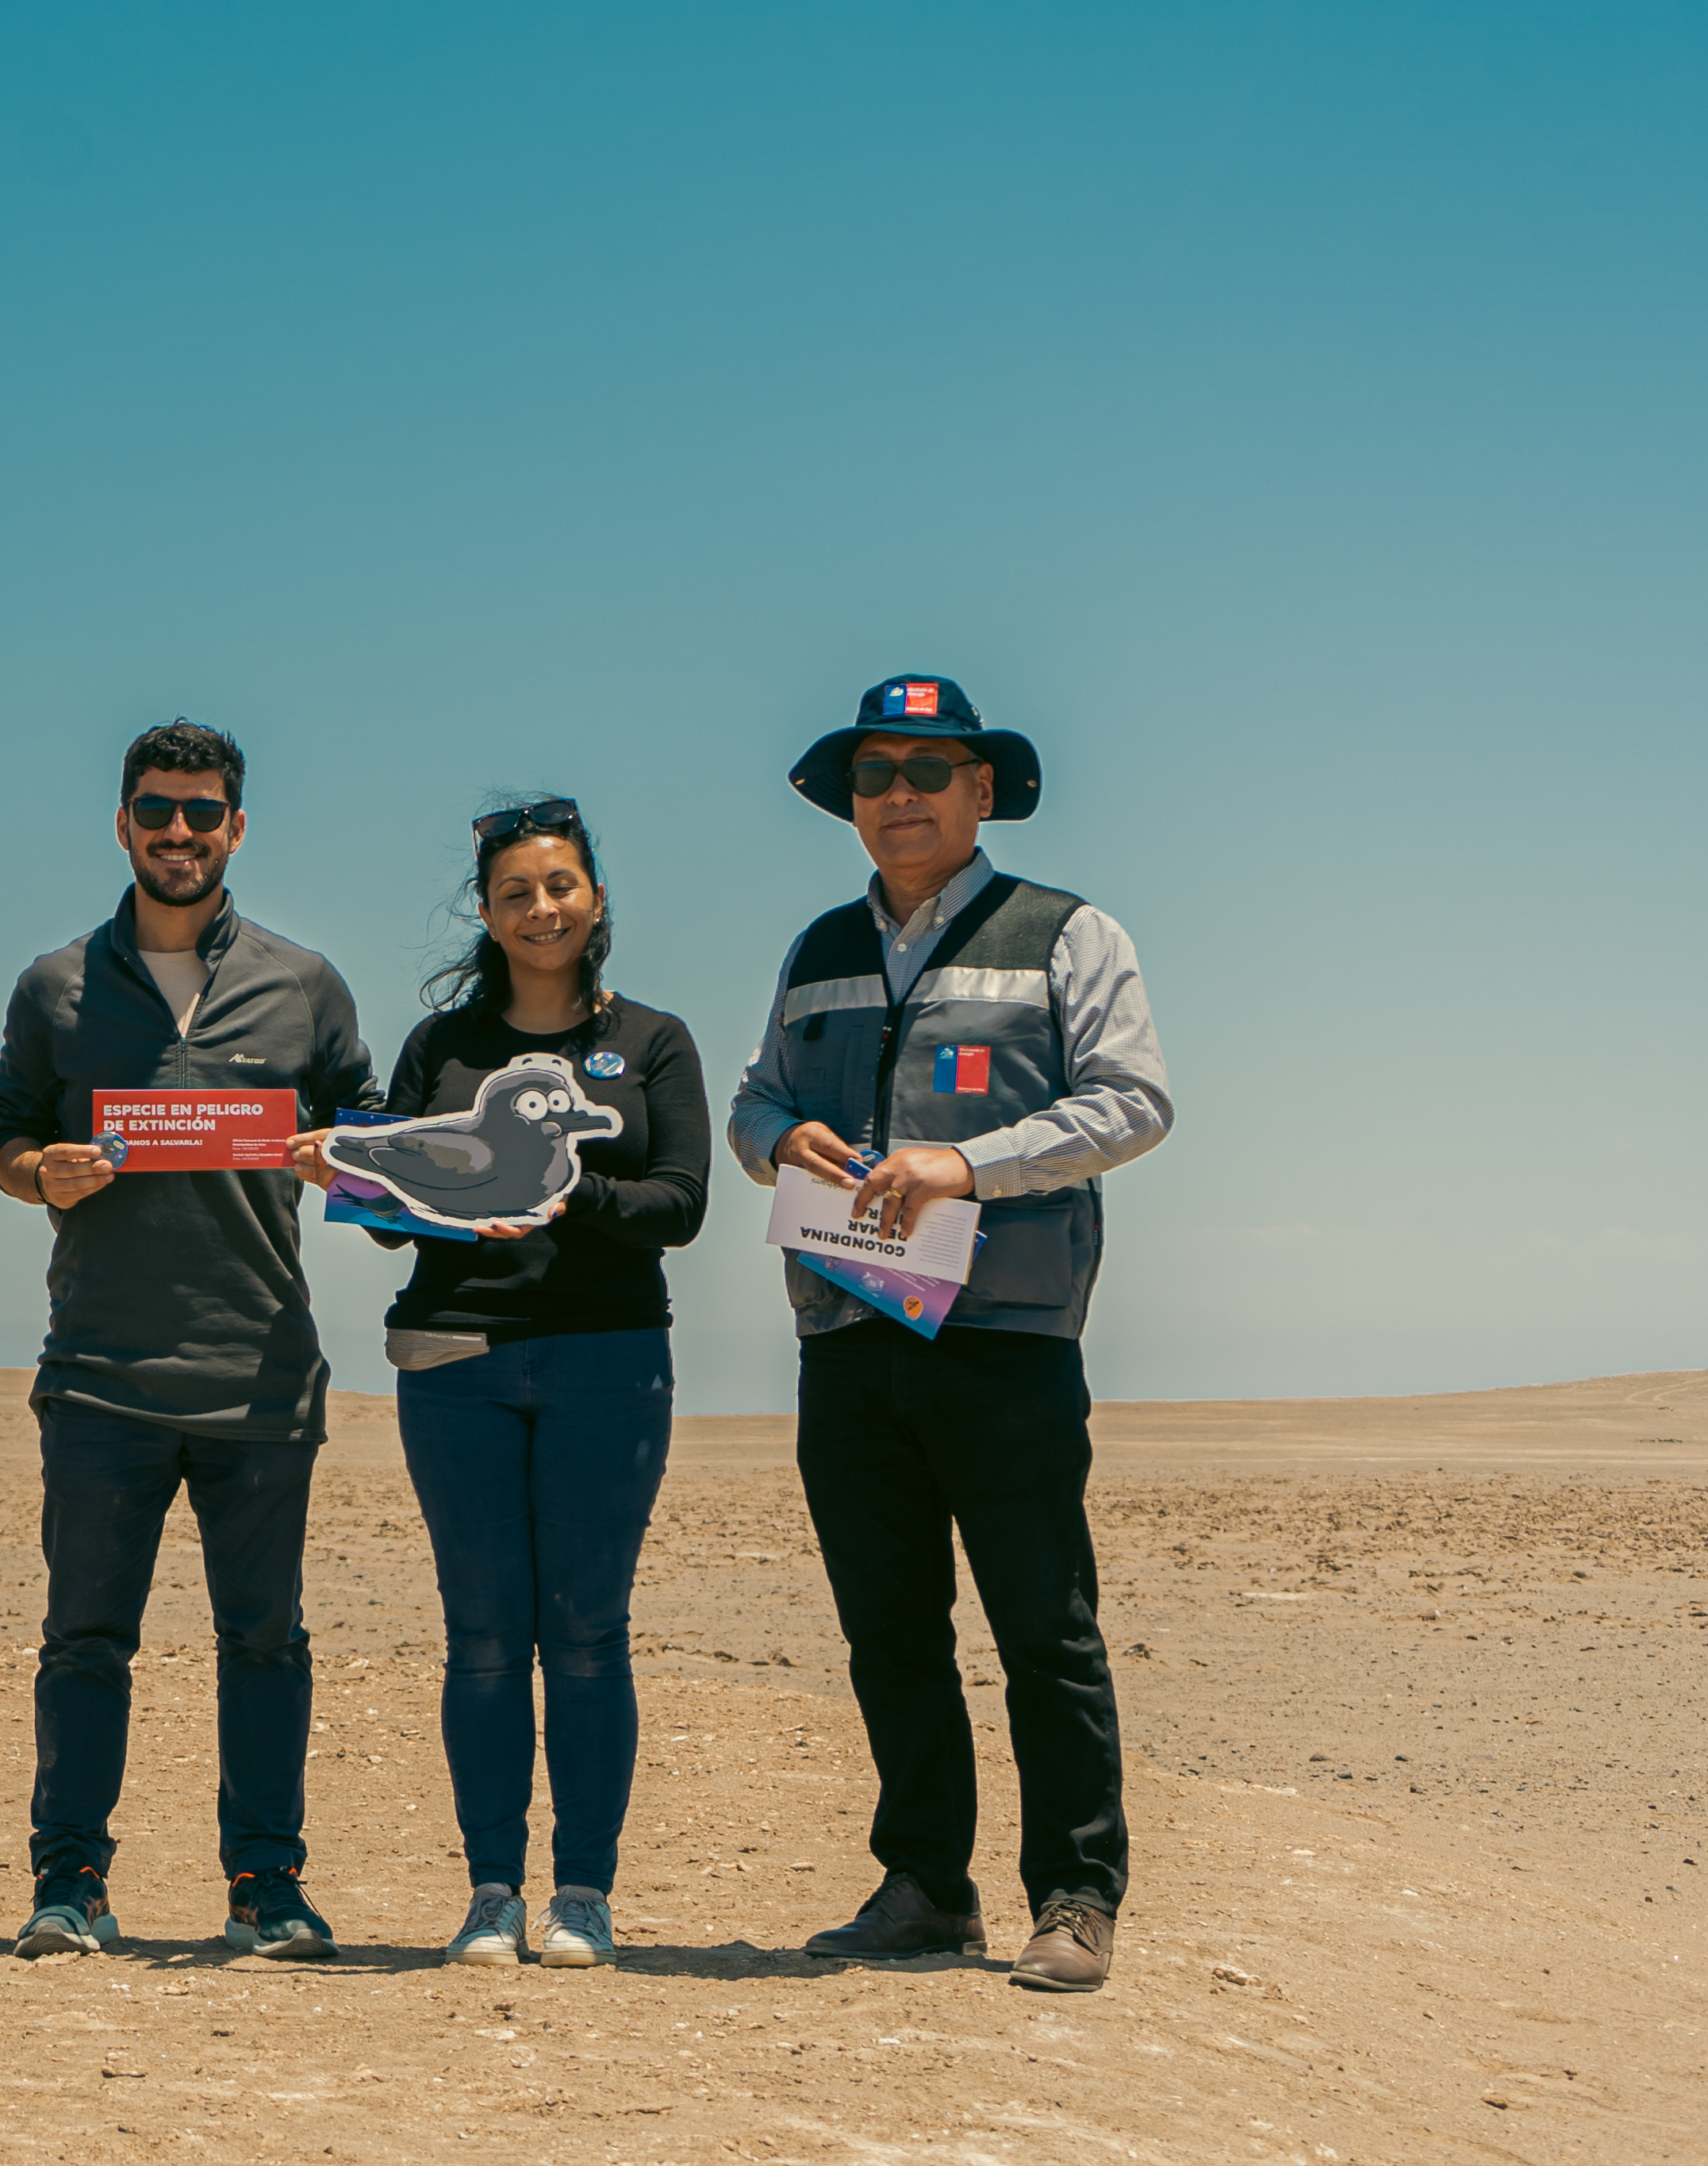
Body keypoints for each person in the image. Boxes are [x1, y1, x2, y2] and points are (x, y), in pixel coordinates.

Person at [729, 676, 1171, 1994]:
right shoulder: (815, 951)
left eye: (933, 768)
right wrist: (775, 1143)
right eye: (876, 772)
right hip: (850, 1337)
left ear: (985, 792)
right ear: (849, 802)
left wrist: (969, 1165)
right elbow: (756, 1098)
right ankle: (926, 1885)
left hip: (1007, 1338)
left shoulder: (1068, 934)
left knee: (1044, 1628)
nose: (902, 793)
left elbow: (1135, 1102)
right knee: (891, 1628)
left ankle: (1076, 1896)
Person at [0, 720, 378, 1961]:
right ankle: (69, 1884)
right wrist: (36, 1172)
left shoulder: (303, 981)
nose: (179, 832)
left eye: (203, 813)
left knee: (265, 1644)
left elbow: (368, 1122)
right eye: (157, 810)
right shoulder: (56, 987)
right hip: (101, 1376)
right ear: (123, 824)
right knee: (85, 1643)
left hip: (261, 1373)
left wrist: (343, 1156)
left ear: (236, 829)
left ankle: (267, 1887)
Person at [367, 797, 709, 1972]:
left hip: (609, 1363)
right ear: (487, 912)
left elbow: (683, 1205)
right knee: (480, 1639)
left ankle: (586, 1894)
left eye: (559, 885)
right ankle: (491, 1894)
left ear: (595, 898)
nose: (540, 908)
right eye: (515, 891)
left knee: (588, 1636)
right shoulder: (441, 1051)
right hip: (456, 1356)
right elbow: (391, 1215)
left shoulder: (654, 1042)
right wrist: (348, 1171)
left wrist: (576, 1194)